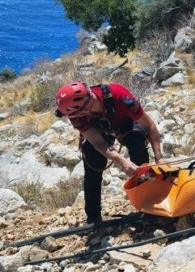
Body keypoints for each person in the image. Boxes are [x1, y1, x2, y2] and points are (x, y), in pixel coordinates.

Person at [55, 81, 164, 224]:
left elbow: (148, 125)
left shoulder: (119, 95)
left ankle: (147, 202)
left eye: (82, 111)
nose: (79, 115)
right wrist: (122, 161)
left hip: (125, 122)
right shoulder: (74, 114)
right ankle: (93, 217)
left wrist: (159, 158)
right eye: (76, 114)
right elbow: (98, 143)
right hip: (99, 130)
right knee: (93, 163)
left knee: (136, 142)